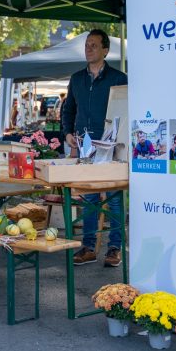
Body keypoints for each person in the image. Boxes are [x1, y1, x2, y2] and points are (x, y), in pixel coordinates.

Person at [61, 29, 128, 267]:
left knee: (114, 198)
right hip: (84, 146)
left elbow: (127, 111)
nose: (88, 49)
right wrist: (68, 133)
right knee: (89, 198)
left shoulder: (119, 78)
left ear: (105, 50)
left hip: (111, 147)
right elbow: (68, 109)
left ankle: (114, 248)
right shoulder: (77, 78)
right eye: (87, 45)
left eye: (94, 45)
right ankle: (88, 247)